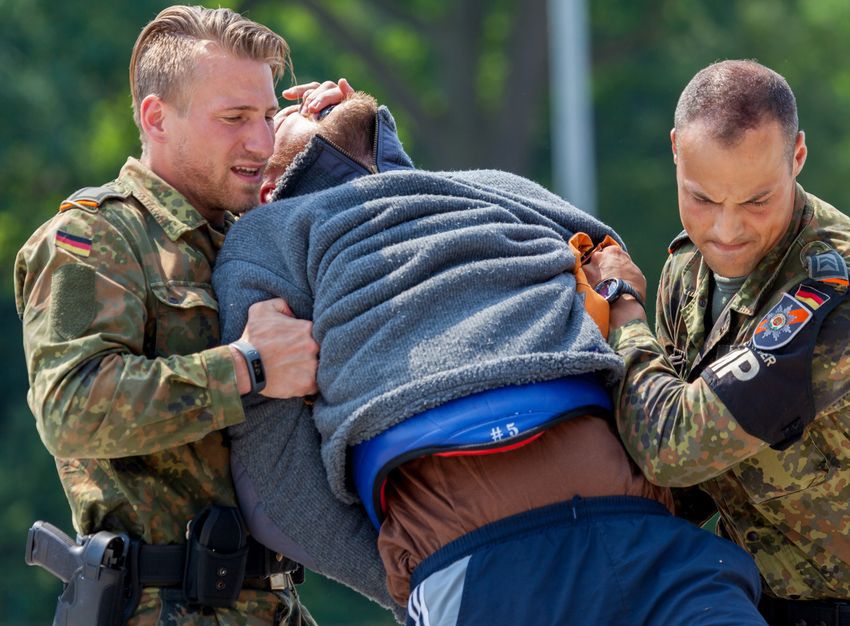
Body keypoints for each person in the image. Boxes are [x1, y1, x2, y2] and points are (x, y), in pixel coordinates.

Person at [213, 93, 769, 625]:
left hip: (637, 520)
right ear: (269, 187)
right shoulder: (271, 230)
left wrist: (355, 123)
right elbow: (273, 466)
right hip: (472, 548)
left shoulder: (484, 186)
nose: (301, 102)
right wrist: (410, 573)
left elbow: (604, 250)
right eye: (277, 116)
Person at [14, 5, 352, 624]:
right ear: (156, 118)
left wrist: (351, 153)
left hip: (273, 606)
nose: (261, 140)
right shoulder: (93, 238)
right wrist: (246, 366)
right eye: (235, 118)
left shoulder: (259, 237)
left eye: (270, 116)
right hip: (158, 605)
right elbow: (70, 408)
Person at [591, 59, 850, 626]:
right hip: (755, 604)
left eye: (757, 201)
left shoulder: (833, 296)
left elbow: (672, 448)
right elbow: (687, 491)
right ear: (676, 151)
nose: (726, 231)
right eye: (703, 199)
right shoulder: (688, 271)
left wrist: (622, 305)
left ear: (798, 157)